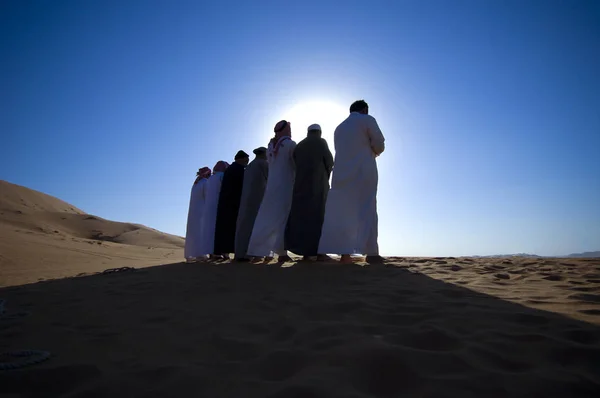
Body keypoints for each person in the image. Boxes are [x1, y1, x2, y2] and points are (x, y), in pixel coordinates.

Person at [318, 100, 385, 264]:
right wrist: (374, 151)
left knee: (342, 211)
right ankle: (372, 253)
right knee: (367, 207)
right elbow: (379, 144)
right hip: (363, 170)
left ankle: (344, 254)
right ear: (364, 109)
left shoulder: (339, 128)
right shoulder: (367, 120)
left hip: (341, 173)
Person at [247, 120, 297, 262]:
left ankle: (257, 252)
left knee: (265, 217)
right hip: (285, 186)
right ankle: (281, 253)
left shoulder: (270, 146)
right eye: (289, 128)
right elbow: (295, 164)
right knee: (282, 219)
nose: (290, 131)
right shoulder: (289, 144)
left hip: (271, 186)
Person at [285, 124, 334, 261]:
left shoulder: (299, 145)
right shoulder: (321, 142)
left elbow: (294, 164)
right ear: (319, 132)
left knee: (301, 218)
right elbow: (329, 161)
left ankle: (305, 253)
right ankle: (319, 252)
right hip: (317, 186)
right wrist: (325, 175)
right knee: (318, 217)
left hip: (300, 186)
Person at [234, 147, 269, 261]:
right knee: (256, 225)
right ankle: (256, 254)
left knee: (244, 226)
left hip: (246, 200)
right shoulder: (263, 164)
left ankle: (241, 253)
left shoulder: (249, 166)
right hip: (257, 199)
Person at [213, 150, 250, 258]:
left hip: (226, 203)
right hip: (233, 203)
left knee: (225, 228)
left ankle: (223, 252)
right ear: (241, 159)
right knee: (231, 228)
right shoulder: (238, 169)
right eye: (246, 159)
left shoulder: (230, 169)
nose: (247, 161)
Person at [201, 160, 229, 260]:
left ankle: (212, 252)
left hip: (209, 208)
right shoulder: (222, 176)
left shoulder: (210, 179)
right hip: (219, 207)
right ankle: (221, 252)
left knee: (209, 230)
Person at [184, 167, 211, 262]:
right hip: (201, 211)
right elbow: (208, 197)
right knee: (200, 231)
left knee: (193, 232)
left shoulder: (196, 184)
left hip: (193, 212)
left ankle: (190, 255)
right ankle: (200, 254)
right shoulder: (205, 182)